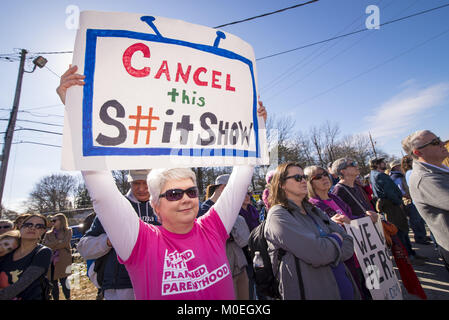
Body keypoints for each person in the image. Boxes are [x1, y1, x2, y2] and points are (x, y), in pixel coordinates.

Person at [56, 65, 267, 299]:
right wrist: (75, 108)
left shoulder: (212, 227)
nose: (186, 198)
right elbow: (102, 194)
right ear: (156, 206)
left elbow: (242, 175)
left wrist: (257, 126)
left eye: (192, 191)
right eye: (174, 194)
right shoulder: (141, 241)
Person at [264, 162, 360, 300]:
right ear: (281, 184)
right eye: (297, 177)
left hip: (345, 289)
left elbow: (349, 243)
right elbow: (318, 253)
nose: (303, 180)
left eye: (304, 177)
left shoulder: (314, 210)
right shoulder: (278, 215)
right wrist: (336, 239)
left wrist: (329, 245)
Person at [77, 169, 158, 300]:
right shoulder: (113, 207)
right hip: (120, 287)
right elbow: (84, 248)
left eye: (146, 183)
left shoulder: (165, 205)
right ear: (130, 182)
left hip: (158, 283)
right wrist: (110, 240)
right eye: (137, 183)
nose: (142, 188)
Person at [304, 165, 373, 300]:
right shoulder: (312, 206)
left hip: (360, 253)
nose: (324, 178)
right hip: (344, 259)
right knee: (357, 291)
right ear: (309, 183)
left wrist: (366, 217)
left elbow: (350, 218)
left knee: (371, 289)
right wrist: (330, 223)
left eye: (325, 174)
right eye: (318, 177)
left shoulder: (335, 198)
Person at [402, 130, 449, 272]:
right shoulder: (424, 179)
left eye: (438, 139)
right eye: (435, 142)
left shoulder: (439, 168)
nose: (442, 143)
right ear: (418, 153)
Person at [369, 157, 427, 264]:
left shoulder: (375, 175)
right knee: (400, 230)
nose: (384, 163)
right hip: (392, 205)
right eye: (382, 162)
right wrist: (398, 202)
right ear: (377, 165)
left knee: (402, 229)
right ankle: (408, 256)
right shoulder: (380, 175)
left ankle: (410, 253)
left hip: (389, 205)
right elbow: (390, 192)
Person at [0, 213, 52, 300]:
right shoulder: (10, 249)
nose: (33, 228)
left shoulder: (43, 252)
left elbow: (21, 285)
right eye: (28, 224)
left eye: (39, 226)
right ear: (21, 227)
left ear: (43, 231)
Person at [391, 158, 429, 245]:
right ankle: (420, 237)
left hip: (410, 200)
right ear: (395, 167)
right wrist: (409, 196)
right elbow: (401, 191)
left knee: (418, 219)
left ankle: (422, 235)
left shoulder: (401, 175)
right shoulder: (397, 177)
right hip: (408, 201)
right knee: (415, 220)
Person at [42, 213, 73, 300]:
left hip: (64, 260)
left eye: (54, 220)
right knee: (53, 282)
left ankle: (68, 297)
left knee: (64, 281)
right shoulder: (48, 233)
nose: (52, 222)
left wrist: (54, 244)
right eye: (52, 221)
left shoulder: (68, 230)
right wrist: (59, 242)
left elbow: (65, 243)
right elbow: (45, 245)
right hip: (51, 261)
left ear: (61, 221)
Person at [226, 215, 250, 300]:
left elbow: (244, 241)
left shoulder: (238, 218)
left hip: (240, 266)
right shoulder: (206, 213)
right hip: (225, 271)